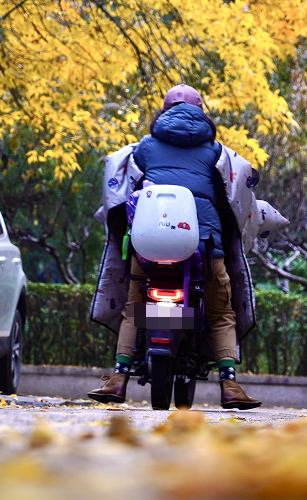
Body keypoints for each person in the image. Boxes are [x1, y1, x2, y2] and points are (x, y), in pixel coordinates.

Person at [88, 85, 261, 409]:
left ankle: (119, 376)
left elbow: (125, 194)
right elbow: (231, 204)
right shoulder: (216, 152)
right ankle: (229, 384)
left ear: (163, 111)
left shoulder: (144, 148)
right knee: (221, 311)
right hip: (203, 247)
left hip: (148, 245)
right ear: (201, 112)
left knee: (133, 305)